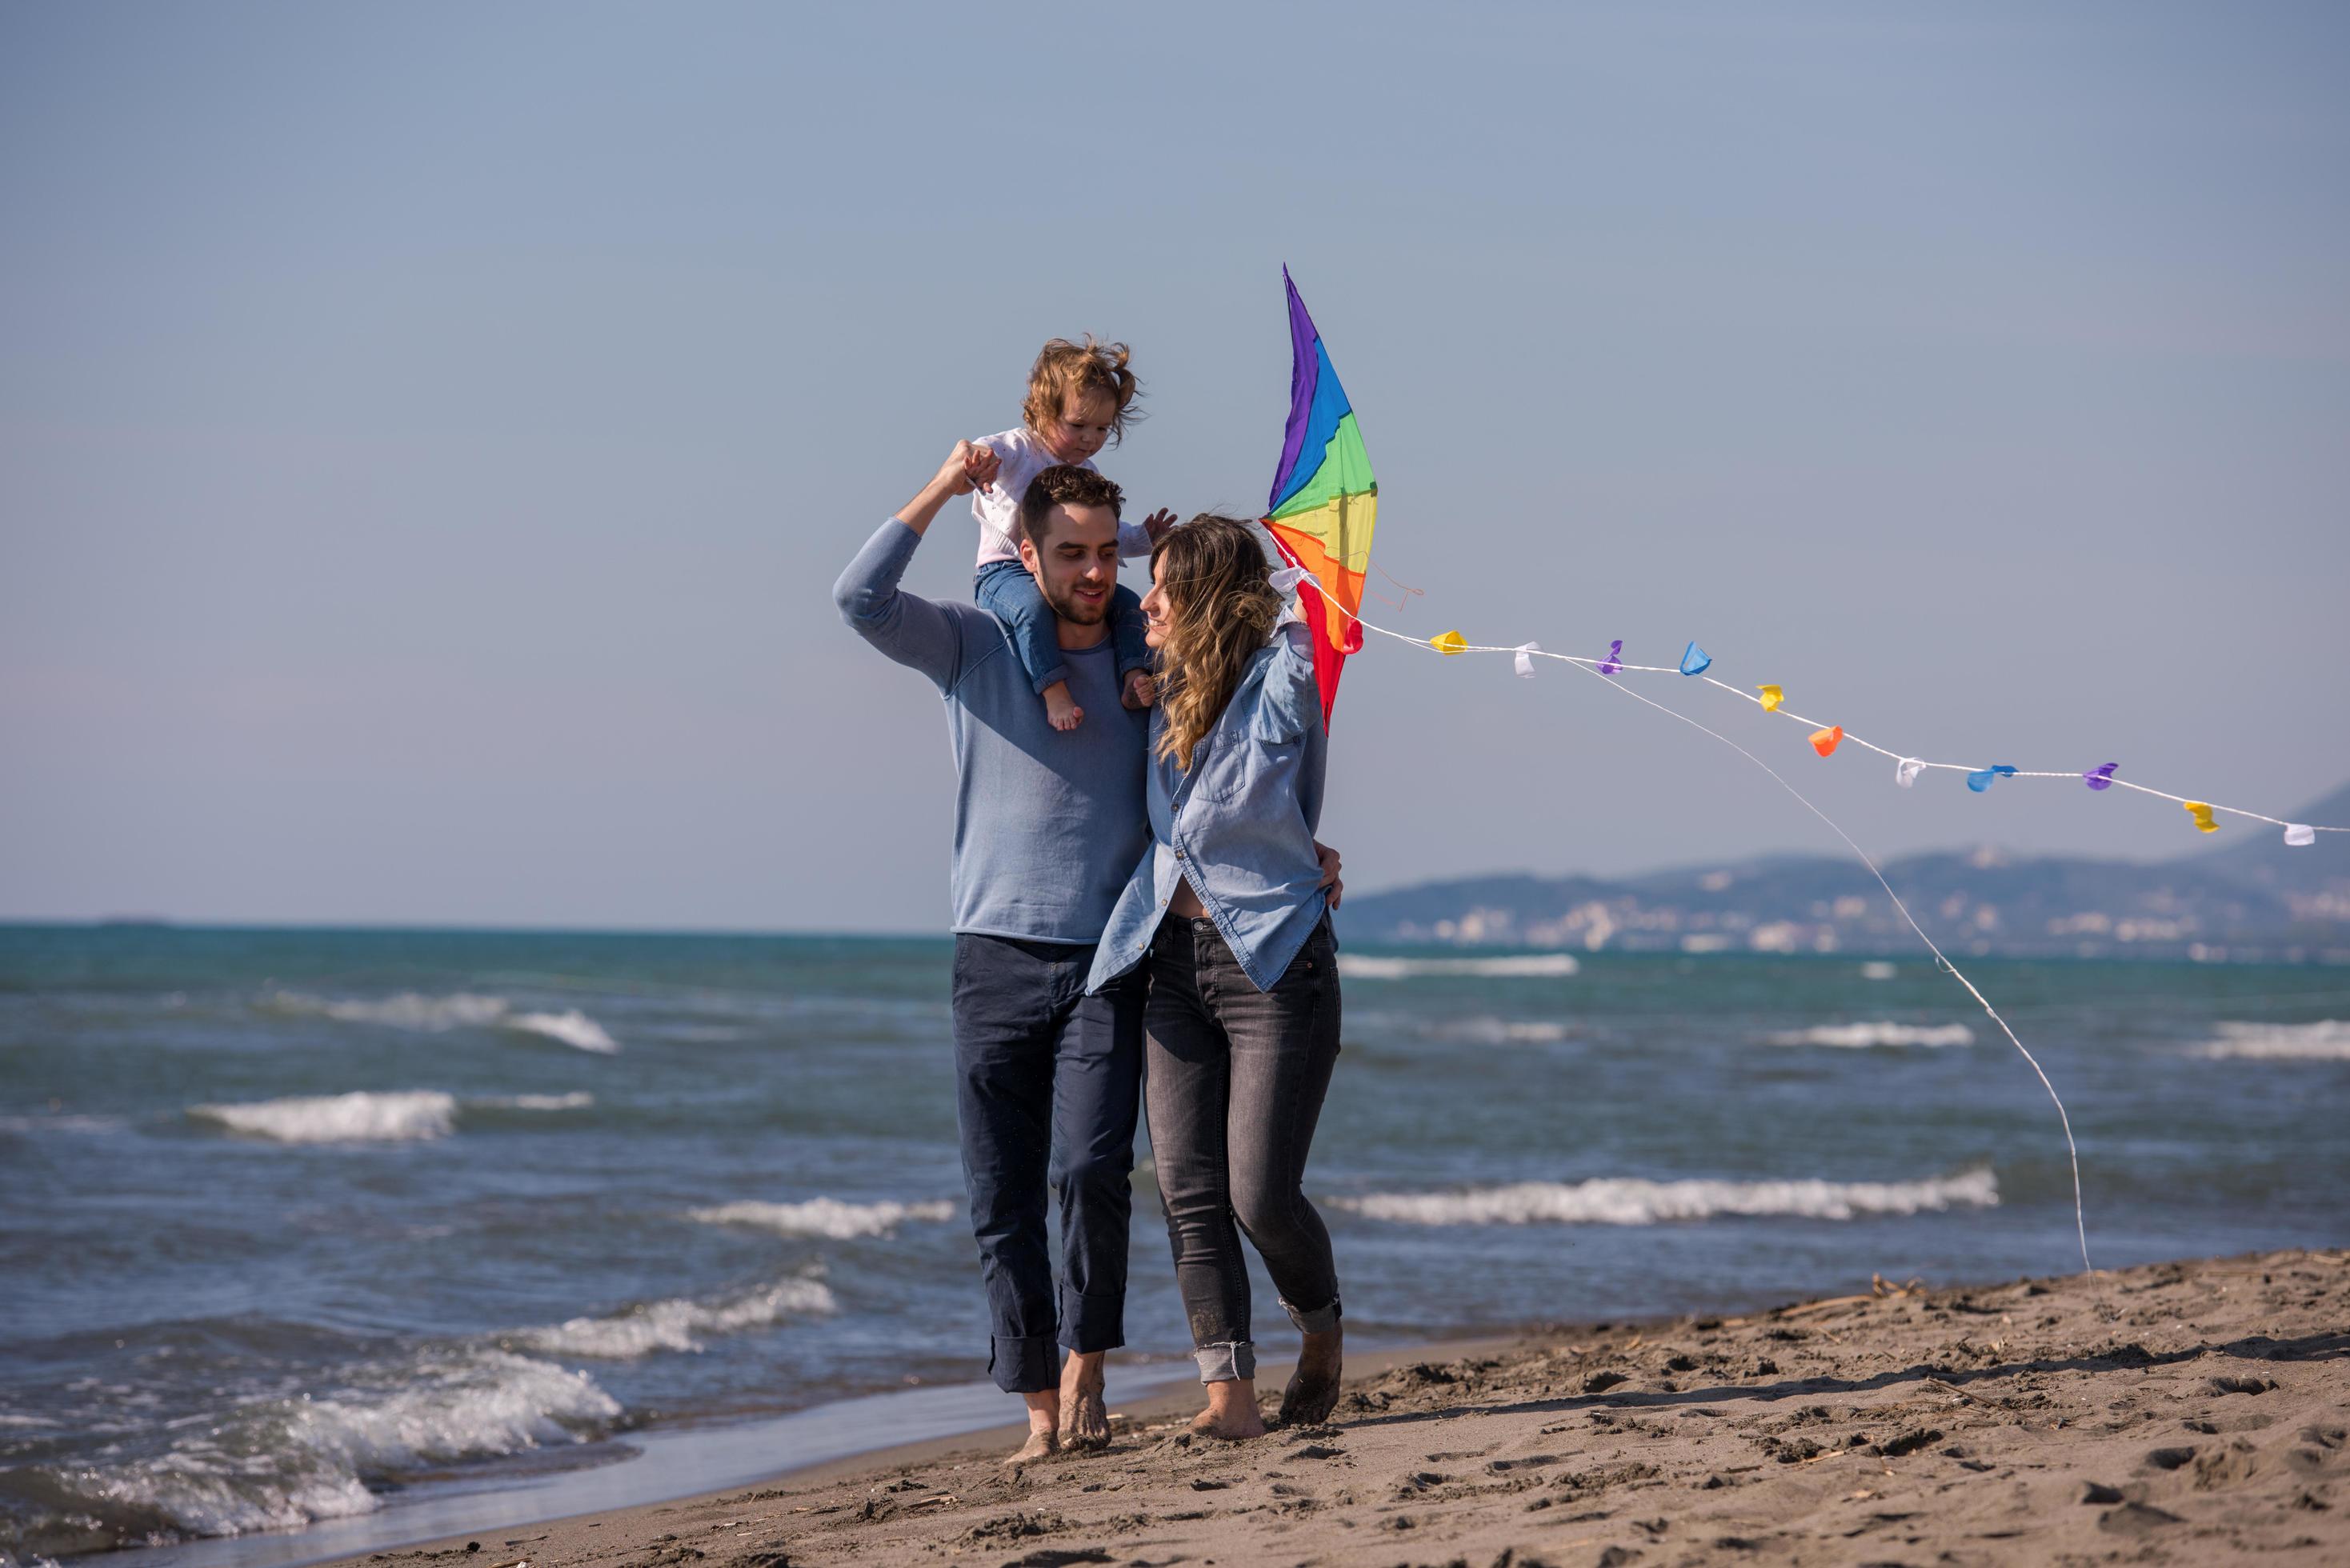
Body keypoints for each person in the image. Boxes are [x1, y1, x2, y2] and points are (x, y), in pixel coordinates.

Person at [833, 448, 1340, 1464]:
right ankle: (1111, 1401)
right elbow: (859, 598)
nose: (1105, 577)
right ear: (1028, 554)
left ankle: (1148, 1359)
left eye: (1117, 555)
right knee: (1058, 1192)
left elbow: (1281, 758)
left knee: (1137, 1178)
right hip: (1060, 952)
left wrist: (1298, 846)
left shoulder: (1184, 671)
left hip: (1177, 956)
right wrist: (942, 487)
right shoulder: (993, 645)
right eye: (1074, 554)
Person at [1087, 514, 1347, 1440]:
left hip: (1275, 958)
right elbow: (1110, 611)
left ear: (1210, 600)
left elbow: (1315, 636)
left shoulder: (1280, 680)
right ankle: (1228, 1401)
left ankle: (1320, 1332)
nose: (1146, 601)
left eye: (1166, 588)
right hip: (1168, 960)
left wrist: (1296, 577)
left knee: (1260, 1196)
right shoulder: (1156, 687)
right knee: (1189, 1190)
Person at [971, 337, 1171, 731]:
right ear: (1044, 412)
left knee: (1129, 603)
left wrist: (1145, 539)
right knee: (1033, 609)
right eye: (1078, 425)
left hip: (1064, 569)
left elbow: (1102, 538)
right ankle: (1054, 691)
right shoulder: (1020, 448)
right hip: (1005, 571)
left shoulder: (1088, 475)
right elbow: (988, 448)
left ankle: (1133, 677)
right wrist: (981, 462)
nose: (1089, 438)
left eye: (1101, 428)